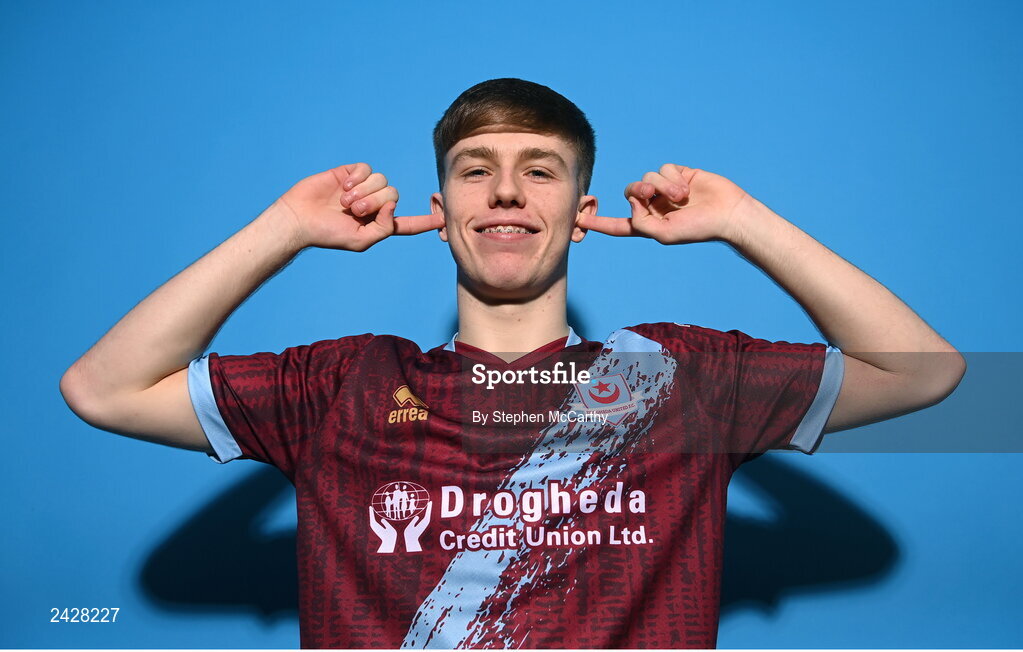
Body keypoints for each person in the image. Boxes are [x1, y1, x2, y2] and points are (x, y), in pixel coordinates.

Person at [60, 78, 965, 648]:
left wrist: (744, 223)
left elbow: (927, 375)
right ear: (442, 208)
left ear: (581, 210)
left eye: (540, 170)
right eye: (474, 169)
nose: (503, 189)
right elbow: (101, 389)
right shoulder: (345, 385)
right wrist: (282, 232)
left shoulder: (677, 379)